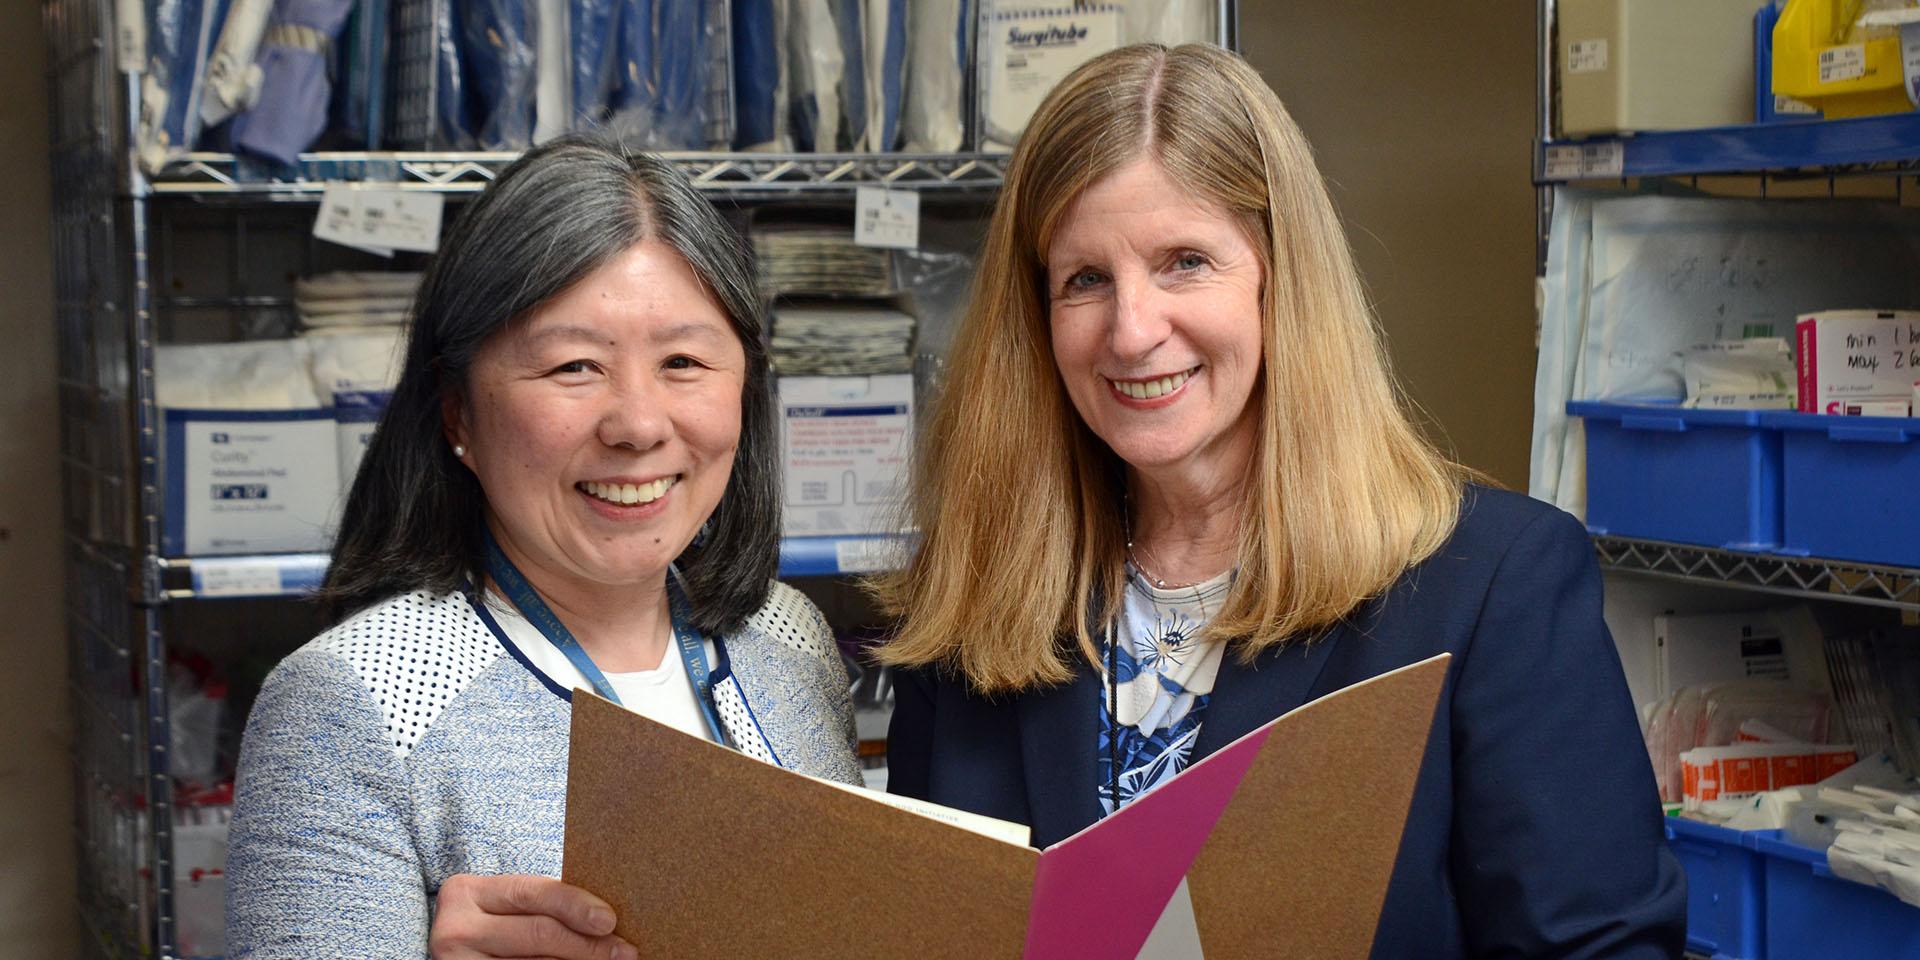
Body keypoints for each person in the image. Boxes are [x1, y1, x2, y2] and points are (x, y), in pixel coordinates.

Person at [874, 43, 1686, 958]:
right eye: (1085, 280)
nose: (1133, 331)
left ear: (1278, 280)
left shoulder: (1494, 585)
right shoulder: (976, 598)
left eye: (1185, 261)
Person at [227, 135, 860, 959]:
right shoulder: (349, 706)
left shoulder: (789, 639)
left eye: (683, 361)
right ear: (458, 414)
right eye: (573, 366)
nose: (637, 425)